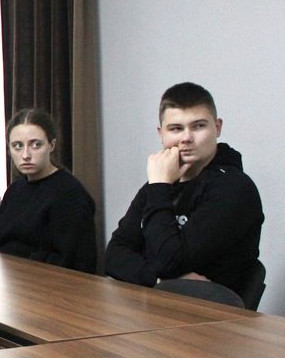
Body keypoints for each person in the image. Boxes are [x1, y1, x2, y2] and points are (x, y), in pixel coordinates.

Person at [104, 82, 263, 294]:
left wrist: (160, 187)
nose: (186, 138)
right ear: (161, 133)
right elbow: (114, 255)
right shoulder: (160, 182)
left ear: (217, 128)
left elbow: (168, 262)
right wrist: (158, 280)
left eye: (198, 126)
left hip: (211, 310)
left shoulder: (234, 188)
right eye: (176, 129)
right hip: (156, 303)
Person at [0, 109, 97, 272]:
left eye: (36, 145)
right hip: (8, 276)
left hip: (45, 281)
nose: (25, 155)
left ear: (52, 145)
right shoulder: (14, 191)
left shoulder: (70, 194)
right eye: (17, 146)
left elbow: (73, 262)